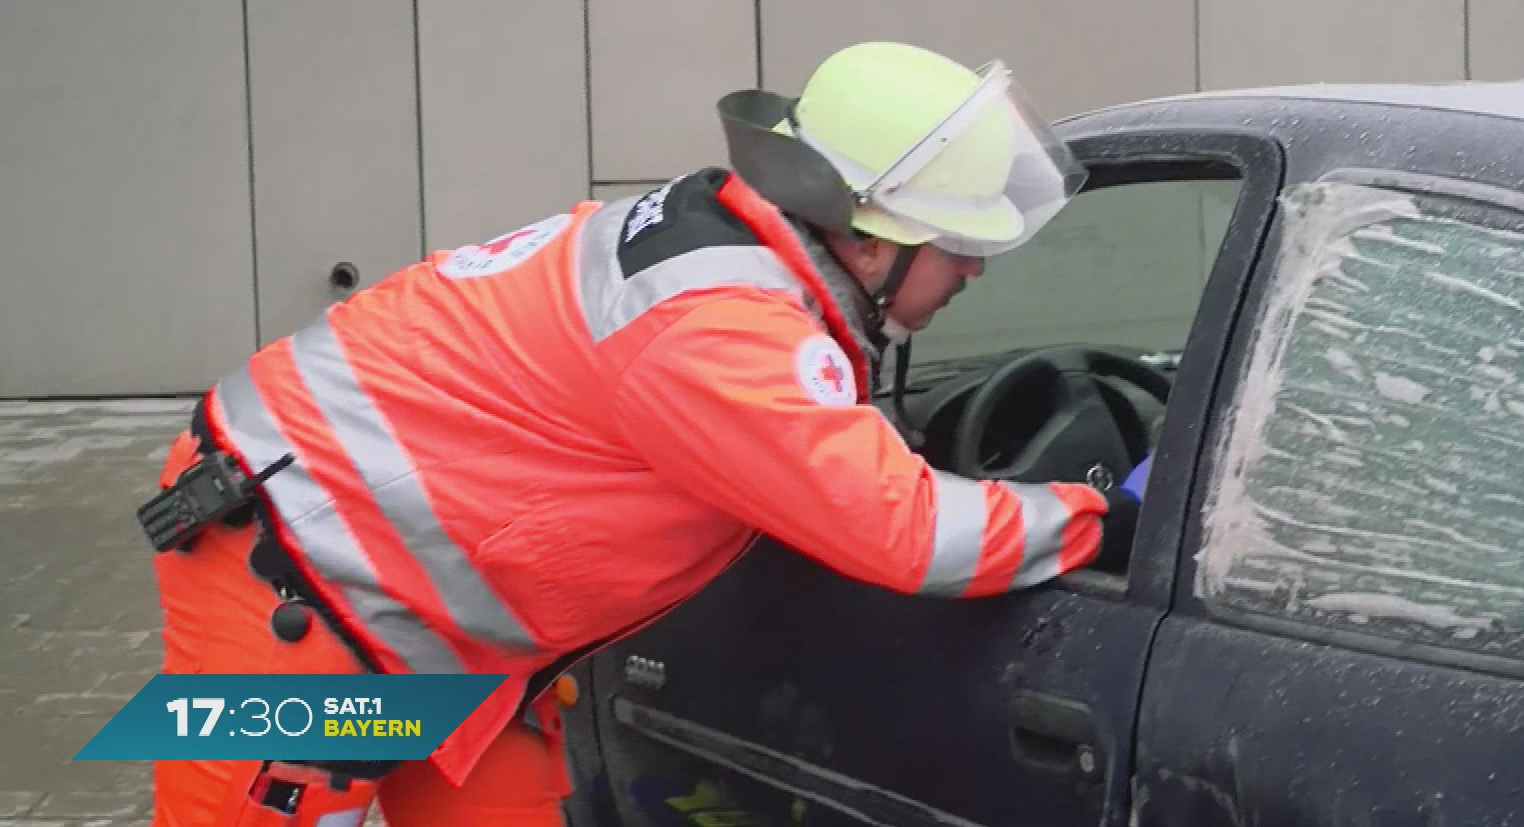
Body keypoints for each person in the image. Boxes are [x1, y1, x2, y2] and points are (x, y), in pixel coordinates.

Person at [138, 41, 1140, 827]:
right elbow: (908, 535)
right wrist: (1102, 512)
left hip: (432, 627)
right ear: (873, 235)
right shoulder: (723, 329)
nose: (974, 274)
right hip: (293, 579)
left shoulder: (734, 256)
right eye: (963, 247)